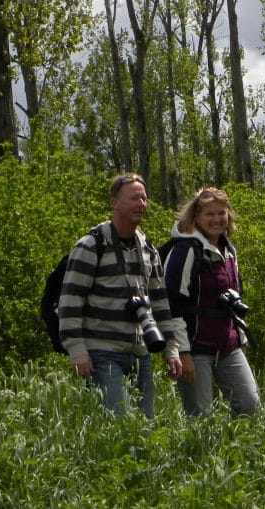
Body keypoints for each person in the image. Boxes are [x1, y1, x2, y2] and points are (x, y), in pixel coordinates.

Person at [58, 173, 183, 418]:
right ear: (114, 203)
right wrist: (77, 350)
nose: (142, 204)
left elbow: (160, 303)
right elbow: (70, 300)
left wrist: (172, 349)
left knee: (145, 423)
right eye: (134, 198)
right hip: (101, 352)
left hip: (139, 351)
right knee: (120, 422)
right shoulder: (91, 245)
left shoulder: (147, 249)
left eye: (144, 199)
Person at [163, 187, 261, 418]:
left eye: (221, 213)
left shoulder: (228, 250)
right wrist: (181, 352)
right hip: (195, 349)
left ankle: (238, 451)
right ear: (196, 217)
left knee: (250, 406)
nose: (216, 219)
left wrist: (241, 338)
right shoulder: (185, 250)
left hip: (228, 345)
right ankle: (202, 454)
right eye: (209, 214)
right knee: (201, 418)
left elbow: (236, 298)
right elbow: (172, 303)